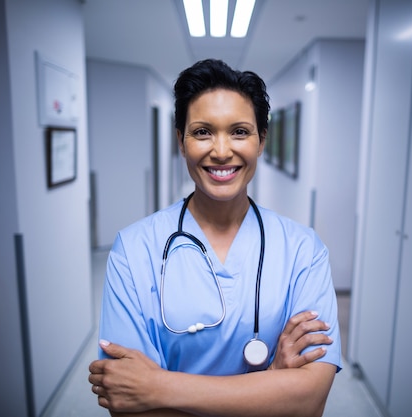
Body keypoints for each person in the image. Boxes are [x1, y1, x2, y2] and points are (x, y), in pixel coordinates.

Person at [88, 58, 342, 417]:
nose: (221, 151)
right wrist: (271, 382)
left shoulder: (303, 250)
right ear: (181, 141)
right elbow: (127, 405)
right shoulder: (133, 250)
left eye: (239, 131)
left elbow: (308, 402)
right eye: (203, 131)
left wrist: (158, 386)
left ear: (262, 140)